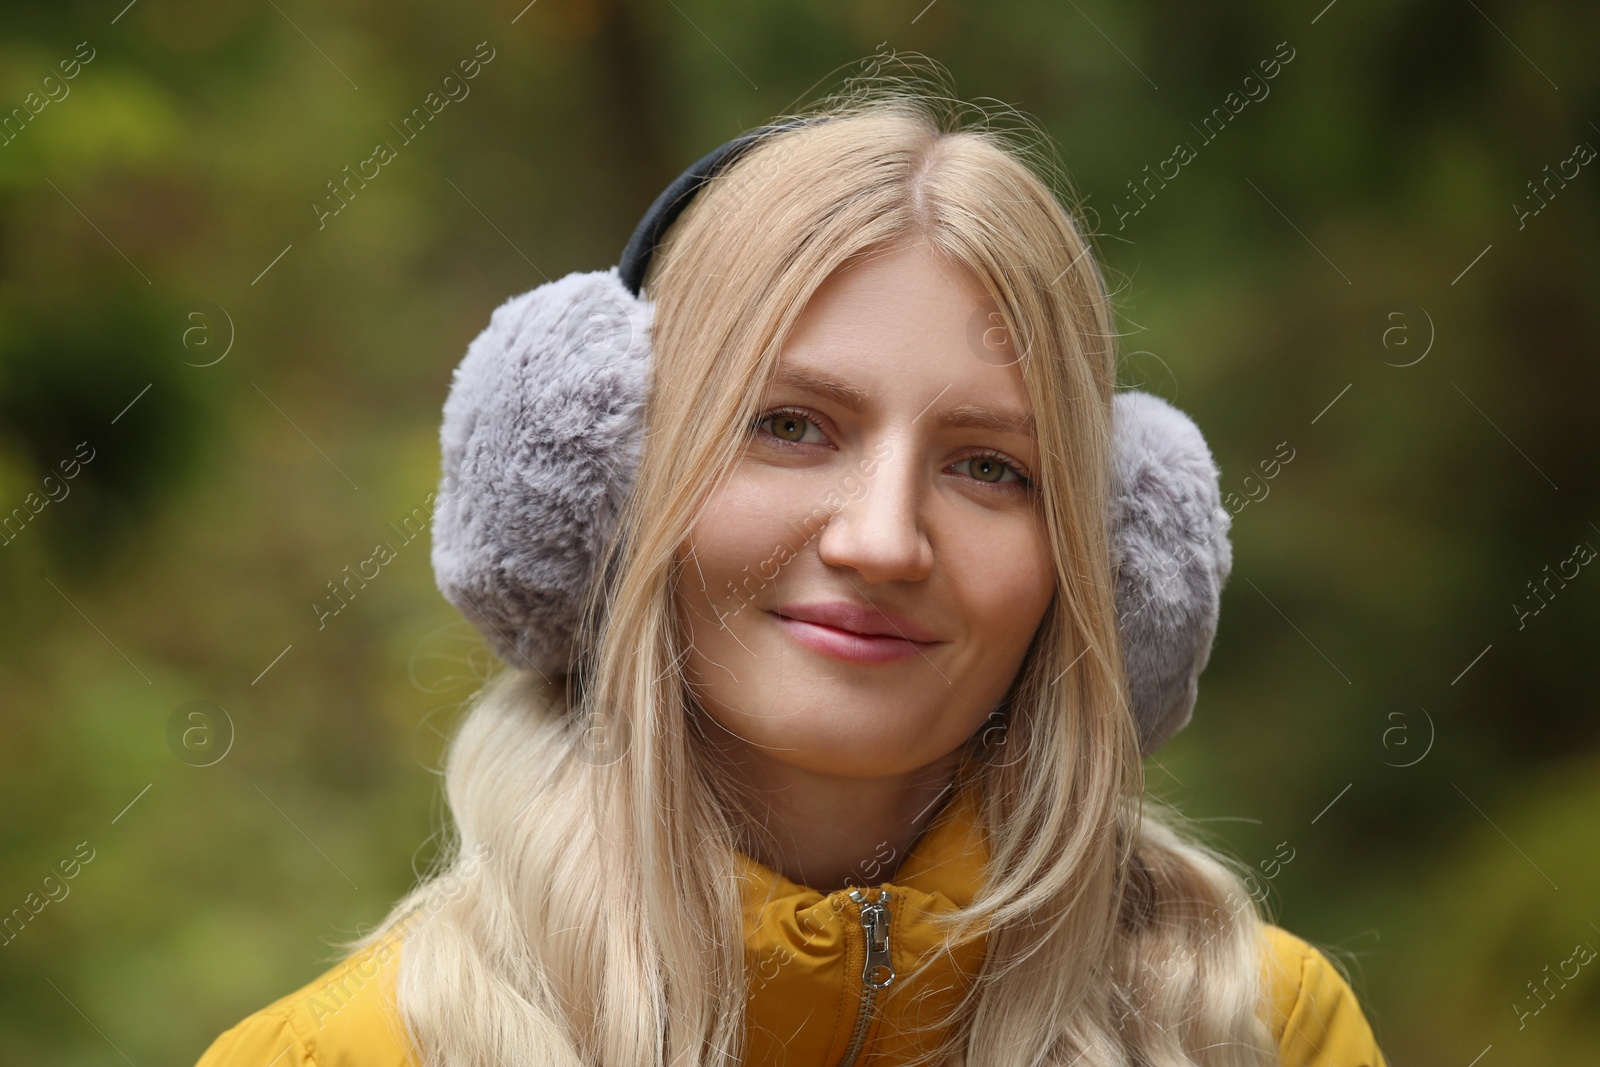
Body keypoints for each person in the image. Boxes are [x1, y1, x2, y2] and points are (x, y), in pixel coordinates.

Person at [195, 77, 1389, 1067]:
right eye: (790, 425)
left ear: (1100, 563)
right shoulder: (332, 1054)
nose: (881, 540)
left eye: (987, 465)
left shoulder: (1257, 1029)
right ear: (604, 481)